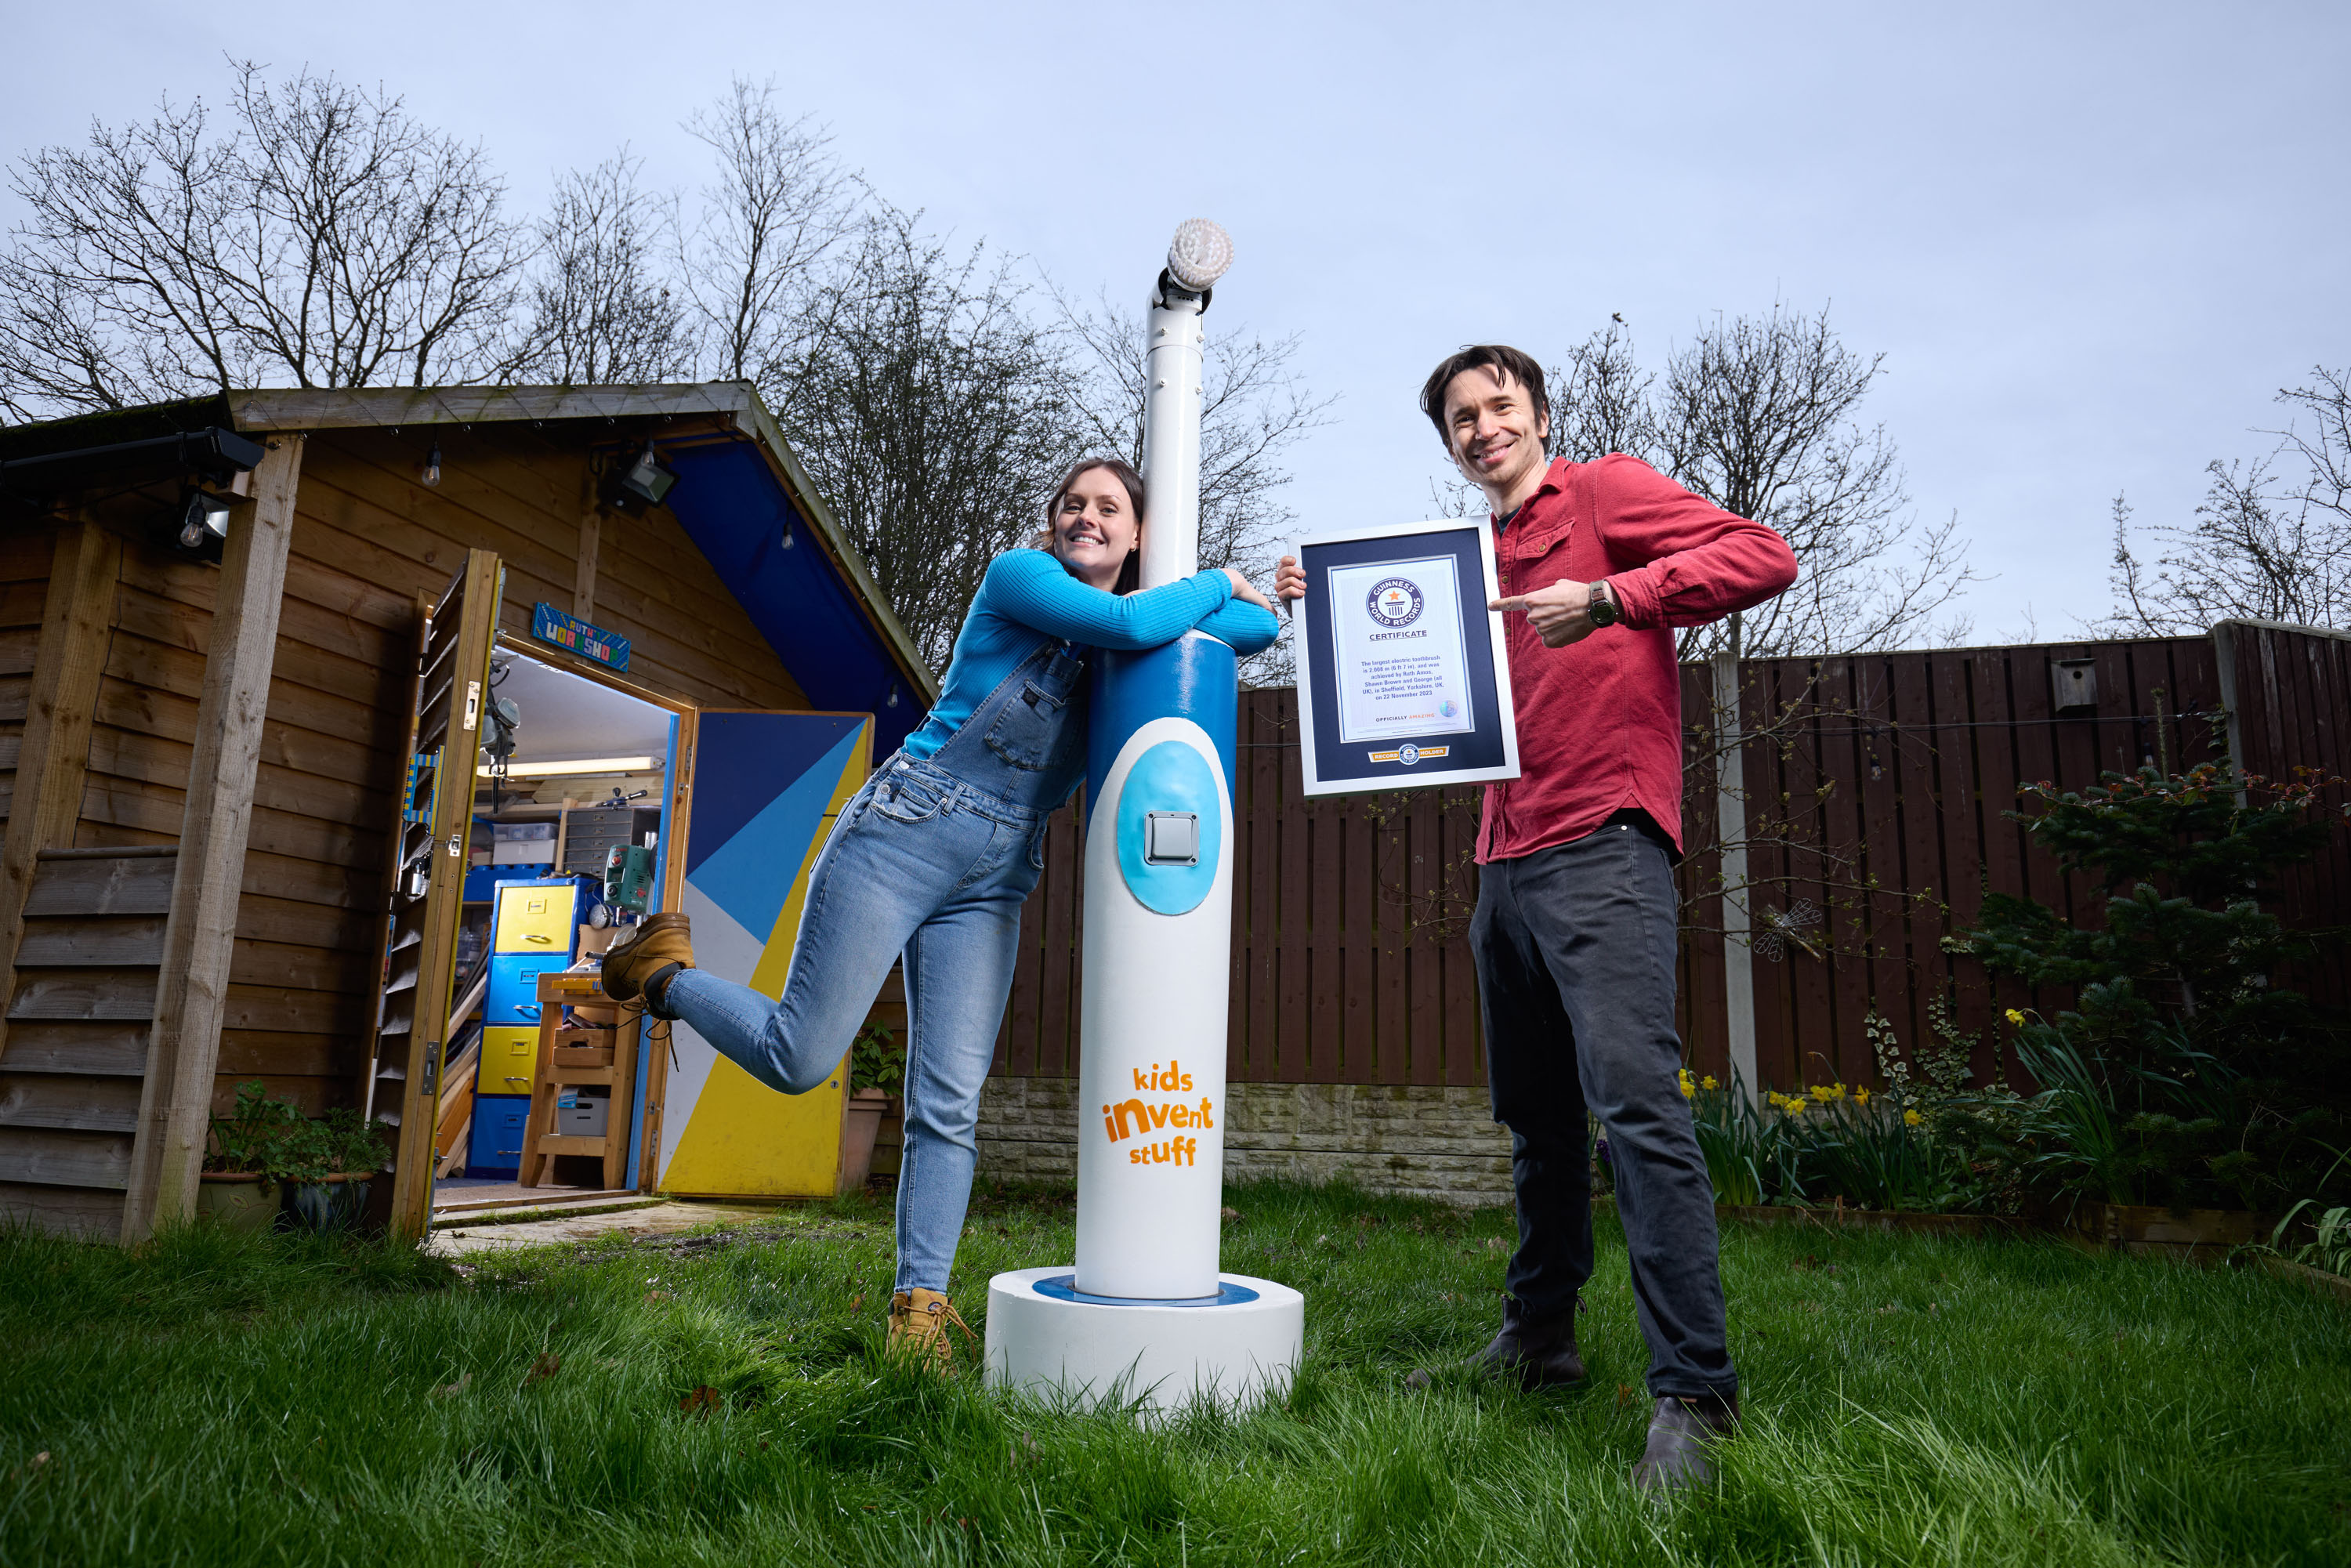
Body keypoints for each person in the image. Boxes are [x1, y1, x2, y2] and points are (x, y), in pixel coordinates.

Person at [603, 456, 1280, 1367]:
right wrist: (1217, 580)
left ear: (1139, 533)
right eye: (1071, 503)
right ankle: (664, 976)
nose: (1085, 516)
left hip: (999, 872)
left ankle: (918, 1311)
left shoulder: (1143, 625)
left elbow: (1246, 635)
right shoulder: (1024, 579)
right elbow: (1138, 618)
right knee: (800, 1057)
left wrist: (1257, 597)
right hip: (906, 829)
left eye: (1109, 508)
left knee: (949, 1103)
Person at [1276, 346, 1797, 1491]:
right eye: (1460, 418)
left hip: (1604, 844)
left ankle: (1695, 1396)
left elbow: (1765, 555)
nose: (1480, 427)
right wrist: (1329, 603)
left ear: (1539, 415)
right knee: (1539, 1123)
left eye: (1498, 405)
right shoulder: (1461, 561)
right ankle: (1539, 1339)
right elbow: (1402, 667)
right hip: (1502, 861)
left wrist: (1614, 596)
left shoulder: (1605, 494)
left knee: (1636, 1113)